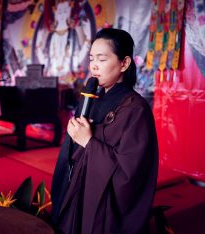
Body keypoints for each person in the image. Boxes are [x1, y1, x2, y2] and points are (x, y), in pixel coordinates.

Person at [51, 28, 158, 234]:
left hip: (103, 207)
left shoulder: (136, 109)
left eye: (101, 59)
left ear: (124, 63)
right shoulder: (91, 98)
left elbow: (130, 172)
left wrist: (89, 142)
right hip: (79, 191)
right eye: (91, 58)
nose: (94, 66)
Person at [34, 0, 91, 81]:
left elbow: (78, 56)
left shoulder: (73, 34)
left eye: (65, 11)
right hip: (52, 74)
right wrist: (39, 49)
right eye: (60, 12)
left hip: (69, 75)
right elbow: (44, 58)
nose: (62, 15)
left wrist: (86, 43)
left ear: (69, 13)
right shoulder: (51, 36)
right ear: (55, 13)